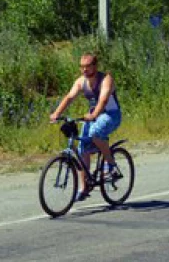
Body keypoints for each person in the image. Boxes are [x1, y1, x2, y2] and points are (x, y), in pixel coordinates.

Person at [49, 53, 121, 202]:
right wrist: (57, 113)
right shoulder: (82, 82)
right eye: (82, 67)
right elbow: (69, 97)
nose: (84, 70)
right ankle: (83, 188)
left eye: (87, 66)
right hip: (93, 115)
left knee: (95, 132)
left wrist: (94, 114)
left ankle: (110, 165)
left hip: (111, 115)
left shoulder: (106, 80)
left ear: (95, 66)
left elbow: (103, 100)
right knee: (82, 148)